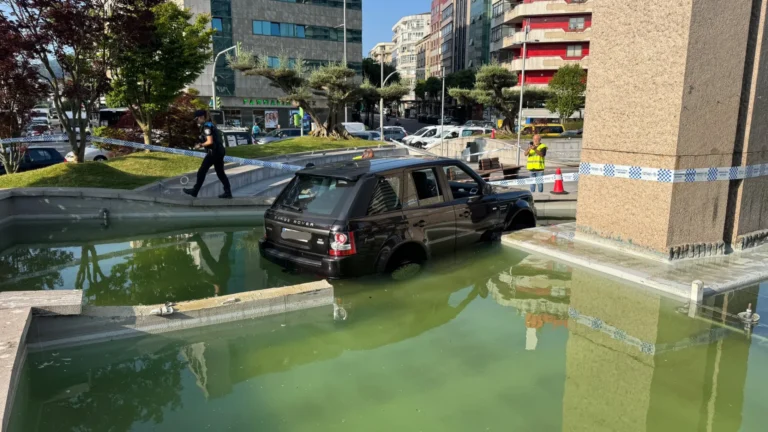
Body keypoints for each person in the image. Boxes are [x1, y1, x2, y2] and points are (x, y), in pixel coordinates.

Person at [184, 110, 232, 199]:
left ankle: (195, 191)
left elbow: (210, 141)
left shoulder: (206, 127)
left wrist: (200, 145)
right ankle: (228, 192)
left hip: (213, 152)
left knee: (202, 171)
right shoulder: (211, 124)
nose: (197, 122)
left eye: (197, 119)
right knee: (220, 173)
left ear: (201, 117)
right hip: (220, 151)